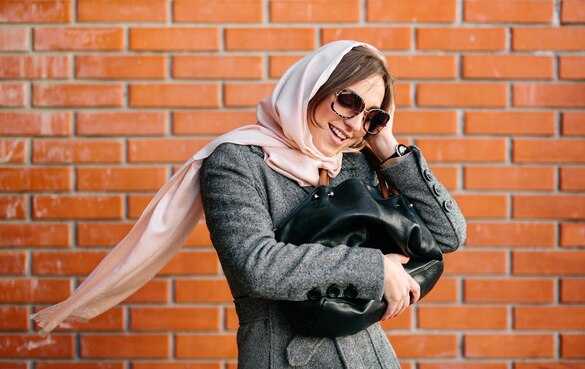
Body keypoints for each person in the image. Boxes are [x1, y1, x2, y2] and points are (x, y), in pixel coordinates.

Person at [31, 41, 465, 369]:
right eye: (348, 101)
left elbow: (446, 235)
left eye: (371, 115)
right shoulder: (236, 160)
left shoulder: (354, 166)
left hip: (370, 358)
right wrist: (376, 270)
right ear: (313, 86)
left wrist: (388, 149)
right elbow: (255, 265)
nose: (353, 123)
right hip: (283, 358)